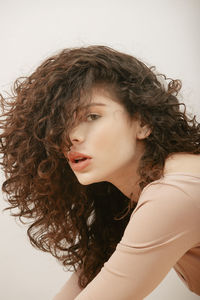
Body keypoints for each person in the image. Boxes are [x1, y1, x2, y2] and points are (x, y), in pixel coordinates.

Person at [0, 45, 200, 300]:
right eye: (62, 123)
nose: (72, 136)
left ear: (143, 122)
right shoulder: (129, 196)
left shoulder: (174, 194)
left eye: (92, 116)